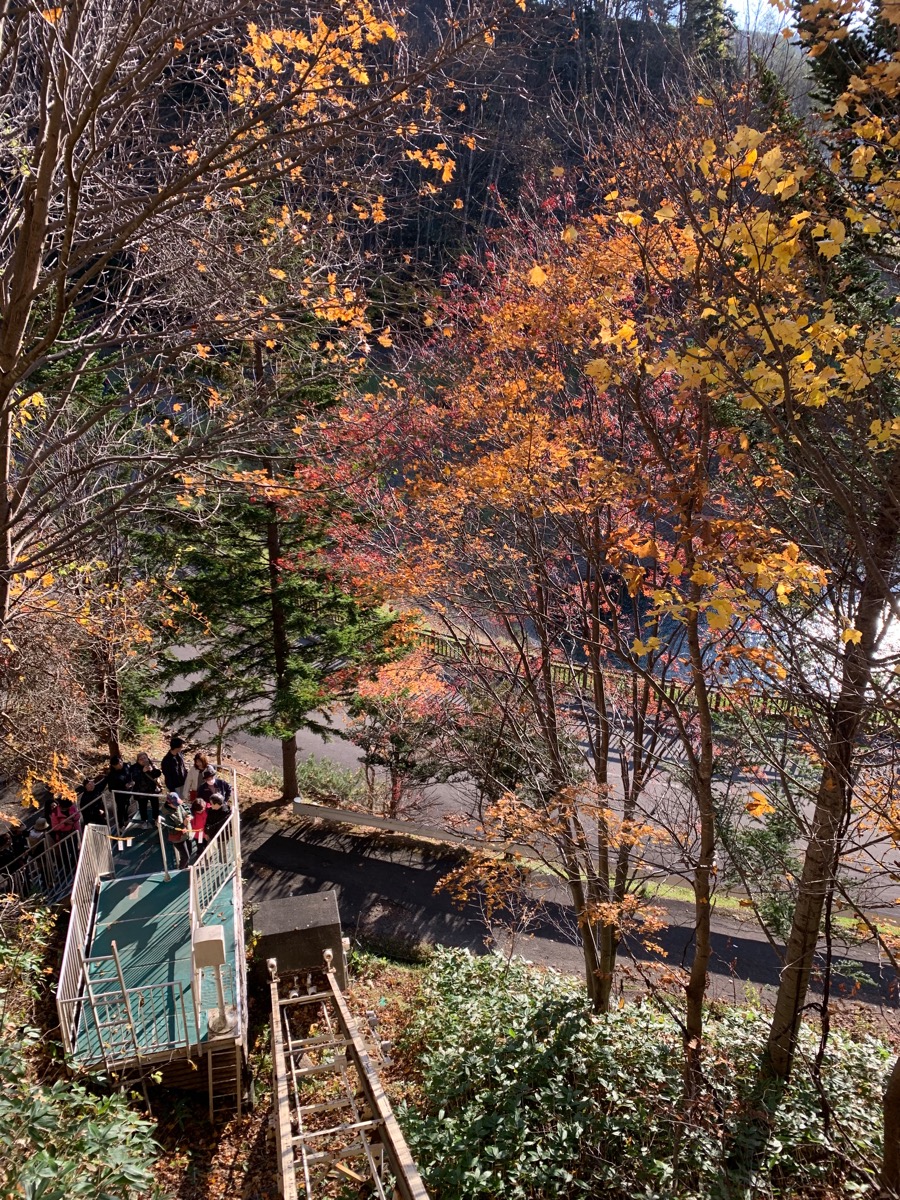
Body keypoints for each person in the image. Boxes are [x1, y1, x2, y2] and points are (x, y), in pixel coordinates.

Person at [160, 791, 193, 869]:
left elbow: (185, 807)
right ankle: (181, 870)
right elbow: (172, 830)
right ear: (169, 803)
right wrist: (183, 825)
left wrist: (189, 815)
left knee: (189, 853)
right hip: (178, 838)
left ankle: (186, 868)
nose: (177, 806)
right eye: (175, 805)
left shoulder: (178, 804)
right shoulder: (166, 815)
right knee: (185, 857)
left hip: (187, 834)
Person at [131, 751, 162, 826]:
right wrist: (142, 771)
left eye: (145, 758)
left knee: (155, 805)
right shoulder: (134, 767)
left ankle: (156, 819)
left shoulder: (151, 764)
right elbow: (135, 778)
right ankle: (144, 821)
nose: (143, 760)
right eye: (141, 759)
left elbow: (158, 773)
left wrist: (152, 770)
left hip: (152, 789)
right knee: (143, 807)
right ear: (138, 760)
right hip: (141, 791)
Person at [107, 755, 135, 834]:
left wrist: (131, 782)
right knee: (121, 808)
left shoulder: (126, 766)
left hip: (128, 792)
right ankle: (121, 825)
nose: (120, 764)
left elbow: (131, 772)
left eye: (120, 761)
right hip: (120, 794)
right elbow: (111, 788)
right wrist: (124, 786)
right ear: (114, 766)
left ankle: (126, 819)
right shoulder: (112, 775)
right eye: (118, 763)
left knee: (127, 805)